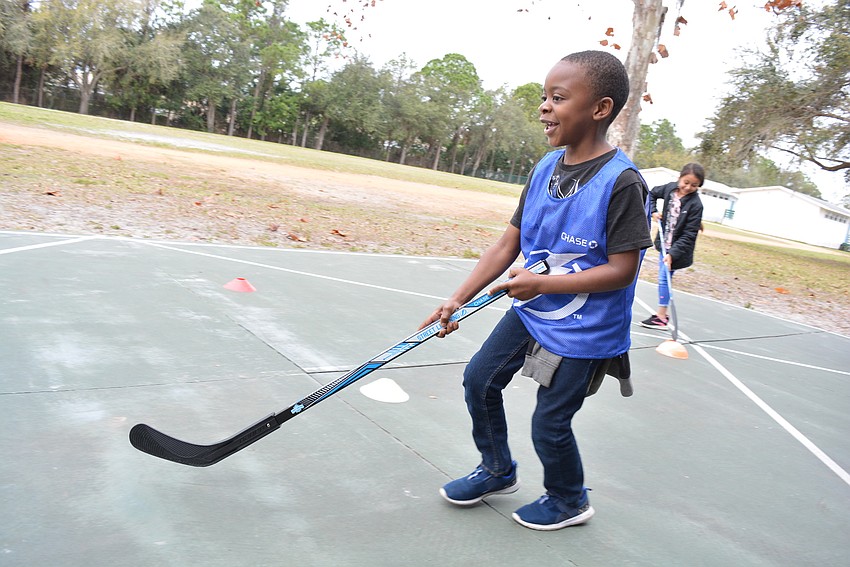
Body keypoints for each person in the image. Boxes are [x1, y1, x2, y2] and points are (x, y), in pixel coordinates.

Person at [418, 50, 652, 531]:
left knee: (550, 421)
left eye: (558, 97)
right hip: (533, 309)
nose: (544, 106)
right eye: (544, 96)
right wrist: (458, 296)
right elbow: (509, 242)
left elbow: (623, 270)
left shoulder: (623, 182)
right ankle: (497, 470)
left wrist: (542, 282)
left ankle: (569, 500)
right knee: (479, 381)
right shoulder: (546, 167)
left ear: (600, 109)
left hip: (584, 329)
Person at [639, 163, 705, 330]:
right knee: (664, 278)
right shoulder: (669, 189)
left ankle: (661, 317)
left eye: (694, 185)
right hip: (665, 242)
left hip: (678, 250)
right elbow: (652, 193)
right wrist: (653, 211)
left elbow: (690, 235)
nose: (688, 187)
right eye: (686, 182)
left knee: (664, 278)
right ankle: (661, 315)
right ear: (679, 178)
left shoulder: (696, 205)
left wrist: (673, 254)